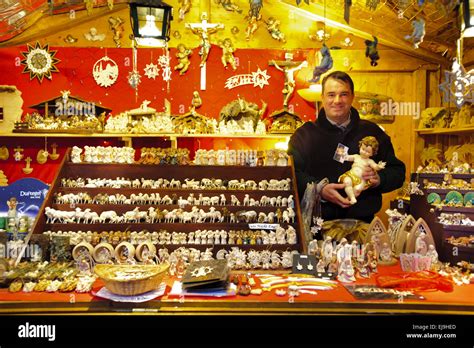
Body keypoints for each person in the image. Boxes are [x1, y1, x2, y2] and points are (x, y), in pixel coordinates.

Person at [288, 71, 405, 223]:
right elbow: (292, 174)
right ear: (322, 97)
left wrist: (379, 179)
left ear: (352, 97)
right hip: (316, 227)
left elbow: (397, 171)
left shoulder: (373, 132)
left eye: (343, 94)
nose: (337, 100)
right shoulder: (303, 135)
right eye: (331, 95)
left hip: (363, 224)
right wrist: (319, 190)